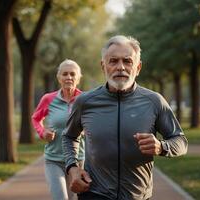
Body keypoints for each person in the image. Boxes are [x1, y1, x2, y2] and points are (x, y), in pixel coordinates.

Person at [62, 35, 188, 200]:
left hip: (138, 196)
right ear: (103, 66)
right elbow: (69, 136)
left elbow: (180, 141)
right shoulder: (85, 102)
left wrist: (161, 146)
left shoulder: (154, 101)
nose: (120, 67)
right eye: (113, 61)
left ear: (138, 67)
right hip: (94, 193)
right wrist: (72, 168)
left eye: (127, 61)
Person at [32, 59, 85, 200]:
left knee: (74, 197)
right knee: (60, 197)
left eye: (72, 74)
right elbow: (35, 118)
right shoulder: (48, 99)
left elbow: (95, 123)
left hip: (77, 160)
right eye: (65, 74)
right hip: (54, 160)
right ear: (59, 78)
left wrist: (87, 129)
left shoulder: (85, 100)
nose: (69, 77)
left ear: (78, 78)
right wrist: (43, 132)